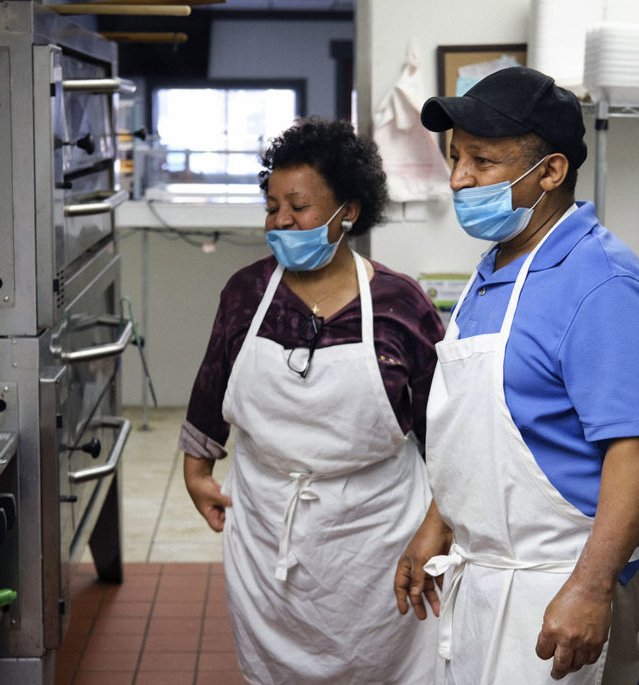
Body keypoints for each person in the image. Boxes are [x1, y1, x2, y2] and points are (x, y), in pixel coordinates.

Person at [393, 66, 639, 684]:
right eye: (455, 158)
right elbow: (477, 431)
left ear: (550, 172)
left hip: (560, 586)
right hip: (485, 575)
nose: (459, 179)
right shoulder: (493, 268)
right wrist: (437, 524)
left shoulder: (603, 285)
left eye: (483, 161)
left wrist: (592, 585)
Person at [181, 116, 444, 684]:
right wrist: (197, 468)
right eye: (272, 206)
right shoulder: (248, 292)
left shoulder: (400, 304)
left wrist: (437, 524)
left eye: (297, 207)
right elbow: (212, 385)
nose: (280, 221)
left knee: (384, 668)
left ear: (347, 210)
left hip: (375, 535)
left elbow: (444, 431)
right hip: (267, 521)